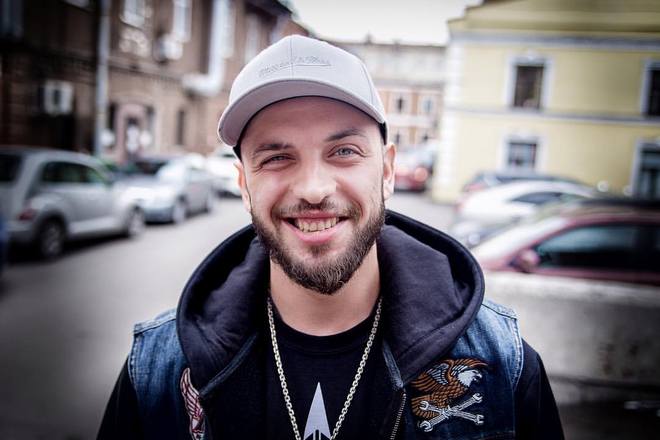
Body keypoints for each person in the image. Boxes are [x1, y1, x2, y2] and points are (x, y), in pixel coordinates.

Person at [98, 35, 563, 440]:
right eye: (277, 158)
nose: (314, 189)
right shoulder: (159, 369)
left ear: (387, 172)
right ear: (244, 185)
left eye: (343, 151)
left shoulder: (500, 362)